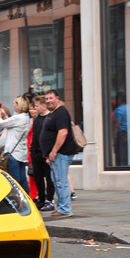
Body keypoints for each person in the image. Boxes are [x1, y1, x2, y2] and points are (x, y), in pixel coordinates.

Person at [39, 89, 76, 217]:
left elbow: (63, 133)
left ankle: (65, 210)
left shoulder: (61, 113)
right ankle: (62, 208)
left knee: (61, 182)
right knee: (57, 181)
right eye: (47, 99)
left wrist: (54, 151)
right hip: (55, 155)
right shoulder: (54, 113)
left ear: (57, 99)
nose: (48, 100)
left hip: (61, 153)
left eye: (51, 98)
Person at [0, 95, 31, 192]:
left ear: (19, 105)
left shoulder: (18, 118)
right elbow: (11, 124)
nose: (13, 104)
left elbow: (0, 123)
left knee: (15, 181)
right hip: (21, 153)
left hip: (13, 154)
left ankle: (18, 203)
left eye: (15, 103)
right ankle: (27, 200)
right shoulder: (26, 118)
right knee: (23, 179)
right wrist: (5, 116)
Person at [30, 95, 55, 211]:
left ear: (44, 106)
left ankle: (49, 200)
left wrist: (48, 154)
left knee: (49, 178)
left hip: (45, 153)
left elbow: (50, 137)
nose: (35, 108)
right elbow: (35, 135)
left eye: (37, 106)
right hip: (35, 152)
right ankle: (41, 199)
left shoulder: (50, 118)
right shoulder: (37, 119)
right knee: (38, 177)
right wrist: (32, 149)